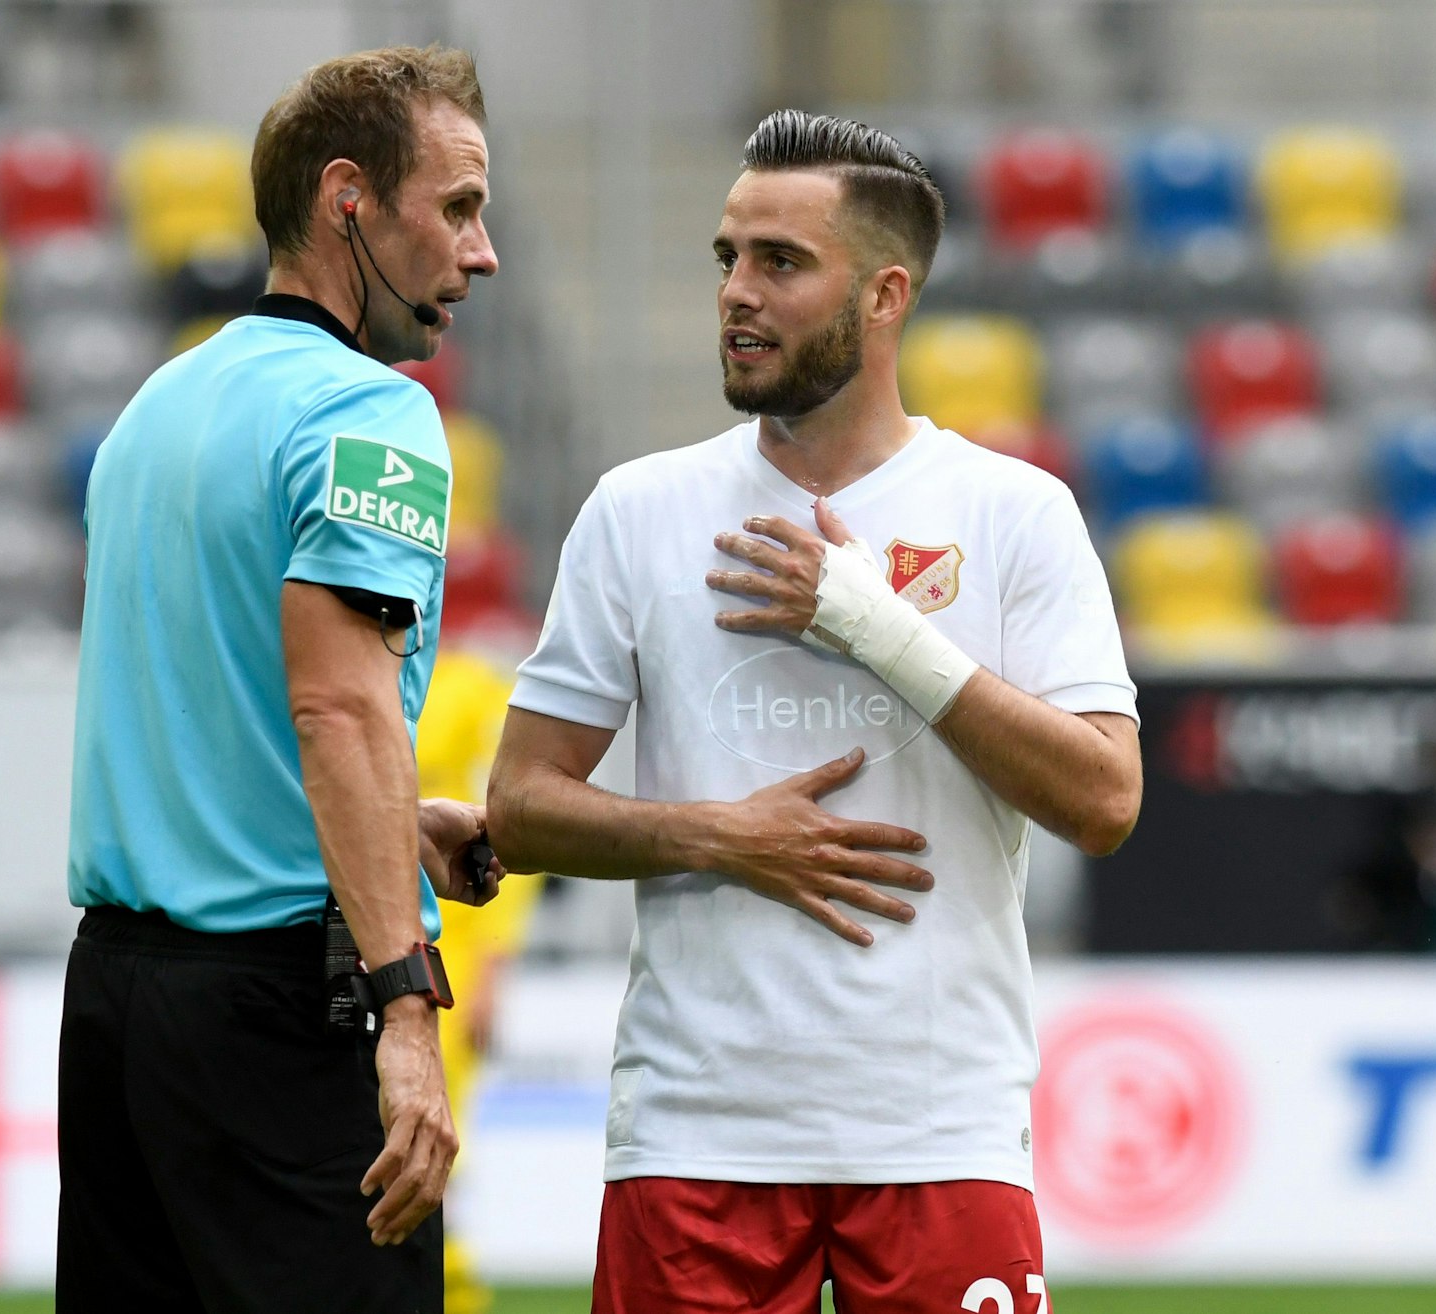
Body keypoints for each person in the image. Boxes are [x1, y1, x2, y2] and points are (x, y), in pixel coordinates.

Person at [487, 110, 1143, 1314]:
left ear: (885, 294)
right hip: (697, 1138)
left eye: (780, 263)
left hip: (938, 1135)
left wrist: (879, 628)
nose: (737, 292)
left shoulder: (1015, 512)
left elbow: (1105, 800)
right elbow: (520, 809)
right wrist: (718, 835)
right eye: (728, 257)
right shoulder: (637, 511)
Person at [57, 46, 501, 1313]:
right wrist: (407, 1009)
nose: (482, 253)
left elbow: (216, 718)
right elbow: (339, 707)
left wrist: (396, 826)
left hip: (119, 1016)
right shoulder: (374, 416)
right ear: (347, 198)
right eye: (459, 207)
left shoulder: (158, 408)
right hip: (278, 1019)